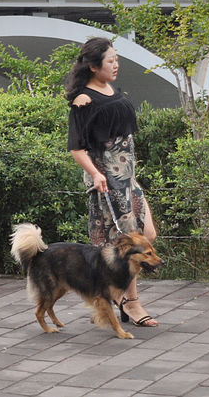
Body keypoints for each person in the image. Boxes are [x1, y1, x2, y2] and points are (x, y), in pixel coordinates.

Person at [66, 37, 158, 327]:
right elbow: (76, 148)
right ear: (94, 66)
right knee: (128, 244)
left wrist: (132, 174)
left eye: (117, 59)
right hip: (108, 180)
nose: (116, 64)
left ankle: (113, 295)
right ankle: (130, 302)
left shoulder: (109, 88)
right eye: (110, 61)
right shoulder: (84, 100)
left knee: (148, 235)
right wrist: (95, 174)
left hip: (128, 177)